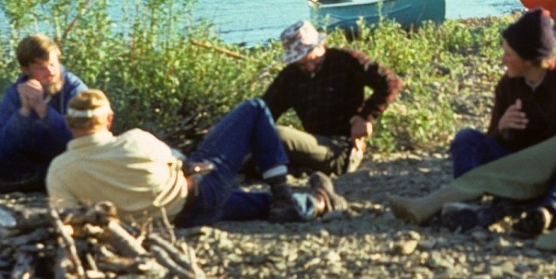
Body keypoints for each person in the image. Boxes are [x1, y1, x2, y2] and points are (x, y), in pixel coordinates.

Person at [46, 90, 346, 227]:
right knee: (254, 108)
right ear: (109, 119)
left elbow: (69, 218)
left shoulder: (58, 171)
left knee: (250, 204)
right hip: (196, 197)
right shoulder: (134, 140)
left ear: (70, 124)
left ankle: (315, 203)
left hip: (175, 222)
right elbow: (179, 161)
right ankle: (285, 195)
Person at [439, 7, 556, 236]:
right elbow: (493, 140)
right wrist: (502, 128)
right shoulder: (508, 85)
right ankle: (467, 201)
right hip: (519, 169)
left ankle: (549, 212)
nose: (503, 59)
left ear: (528, 59)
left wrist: (538, 160)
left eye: (509, 54)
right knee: (467, 138)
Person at [260, 21, 402, 177]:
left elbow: (391, 81)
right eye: (301, 63)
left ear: (318, 46)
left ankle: (294, 169)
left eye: (309, 59)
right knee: (258, 142)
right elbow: (265, 111)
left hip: (341, 148)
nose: (308, 66)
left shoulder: (345, 60)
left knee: (281, 135)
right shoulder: (291, 75)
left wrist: (366, 116)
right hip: (312, 143)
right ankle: (295, 169)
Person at [0, 34, 87, 193]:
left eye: (53, 64)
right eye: (41, 68)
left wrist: (44, 111)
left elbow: (82, 138)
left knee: (80, 164)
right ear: (26, 70)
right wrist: (23, 113)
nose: (50, 72)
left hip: (65, 156)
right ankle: (37, 179)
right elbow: (0, 145)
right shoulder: (16, 92)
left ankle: (22, 180)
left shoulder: (75, 90)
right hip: (32, 157)